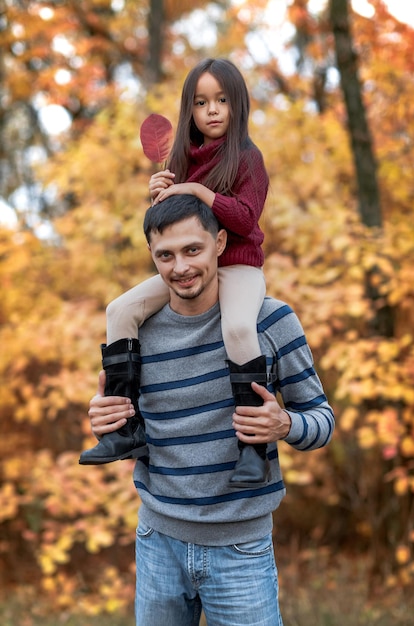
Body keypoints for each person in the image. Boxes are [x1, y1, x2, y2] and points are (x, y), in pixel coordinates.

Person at [87, 194, 335, 626]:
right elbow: (131, 431)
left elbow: (322, 421)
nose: (179, 267)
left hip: (241, 551)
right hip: (157, 542)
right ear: (152, 256)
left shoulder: (270, 322)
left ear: (220, 243)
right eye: (165, 255)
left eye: (192, 250)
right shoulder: (135, 332)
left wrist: (285, 423)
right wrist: (104, 421)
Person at [79, 57, 271, 488]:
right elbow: (168, 229)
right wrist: (160, 196)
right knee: (119, 311)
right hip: (190, 267)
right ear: (191, 111)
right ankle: (126, 431)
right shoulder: (182, 158)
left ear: (238, 104)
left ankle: (253, 449)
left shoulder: (247, 158)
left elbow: (244, 218)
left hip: (237, 264)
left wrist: (198, 190)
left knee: (239, 328)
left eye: (222, 100)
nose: (213, 110)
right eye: (202, 103)